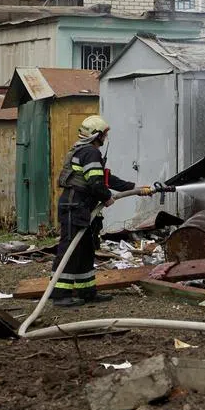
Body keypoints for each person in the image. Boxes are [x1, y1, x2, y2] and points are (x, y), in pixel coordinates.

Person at [51, 115, 154, 307]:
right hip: (76, 206)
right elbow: (96, 184)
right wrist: (106, 197)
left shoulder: (85, 151)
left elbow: (107, 179)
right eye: (104, 134)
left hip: (81, 207)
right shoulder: (90, 153)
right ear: (96, 135)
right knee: (70, 250)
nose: (106, 137)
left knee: (86, 250)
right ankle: (59, 295)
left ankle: (87, 292)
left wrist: (137, 188)